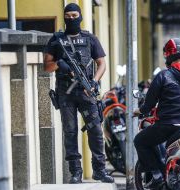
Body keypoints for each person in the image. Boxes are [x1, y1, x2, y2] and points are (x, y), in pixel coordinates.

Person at [43, 3, 114, 184]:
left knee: (96, 131)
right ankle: (75, 172)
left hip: (86, 91)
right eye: (69, 16)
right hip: (65, 93)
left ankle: (99, 169)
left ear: (81, 16)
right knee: (70, 131)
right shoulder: (57, 40)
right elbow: (47, 66)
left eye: (75, 15)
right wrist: (60, 64)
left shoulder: (89, 38)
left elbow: (102, 63)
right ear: (64, 17)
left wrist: (94, 81)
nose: (72, 19)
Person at [133, 38, 180, 188]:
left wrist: (139, 111)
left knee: (140, 140)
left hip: (167, 125)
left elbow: (149, 104)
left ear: (167, 55)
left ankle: (157, 175)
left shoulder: (163, 76)